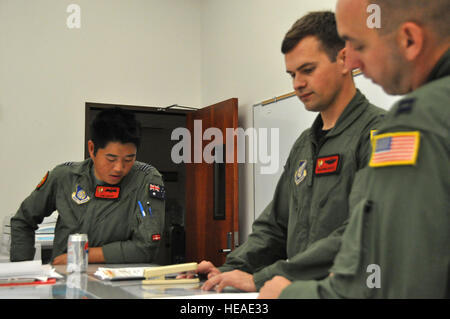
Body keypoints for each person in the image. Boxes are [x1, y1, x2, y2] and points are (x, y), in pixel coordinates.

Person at [259, 0, 450, 299]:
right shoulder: (303, 145)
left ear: (410, 40)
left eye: (360, 46)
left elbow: (394, 280)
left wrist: (286, 293)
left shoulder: (413, 124)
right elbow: (275, 225)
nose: (353, 63)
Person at [188, 11, 386, 292]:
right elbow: (274, 227)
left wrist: (262, 278)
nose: (297, 84)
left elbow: (363, 230)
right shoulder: (305, 144)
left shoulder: (380, 133)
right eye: (292, 74)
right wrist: (229, 269)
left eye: (307, 70)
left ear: (344, 59)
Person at [10, 108, 166, 264]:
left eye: (128, 159)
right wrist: (24, 272)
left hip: (121, 283)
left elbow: (147, 247)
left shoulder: (146, 179)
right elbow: (23, 221)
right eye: (111, 159)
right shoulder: (65, 177)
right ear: (92, 149)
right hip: (65, 280)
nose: (119, 167)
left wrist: (80, 256)